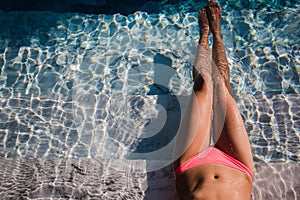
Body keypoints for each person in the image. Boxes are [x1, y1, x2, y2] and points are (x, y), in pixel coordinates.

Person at [172, 1, 254, 199]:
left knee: (204, 85)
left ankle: (204, 35)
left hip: (191, 163)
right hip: (238, 163)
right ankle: (216, 34)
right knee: (220, 86)